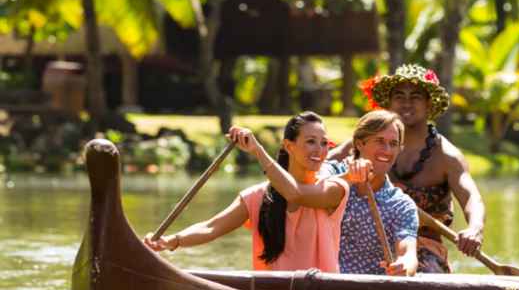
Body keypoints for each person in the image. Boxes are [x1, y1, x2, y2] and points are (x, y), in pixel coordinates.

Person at [144, 111, 359, 272]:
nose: (319, 151)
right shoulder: (257, 196)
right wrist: (171, 241)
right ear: (288, 146)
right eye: (310, 142)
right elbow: (211, 227)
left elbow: (295, 194)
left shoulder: (334, 188)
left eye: (324, 144)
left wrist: (258, 151)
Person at [332, 64, 486, 273]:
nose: (406, 103)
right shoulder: (364, 144)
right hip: (362, 241)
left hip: (422, 248)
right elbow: (319, 166)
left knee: (420, 271)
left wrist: (475, 229)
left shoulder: (447, 156)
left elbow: (471, 198)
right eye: (399, 96)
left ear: (428, 104)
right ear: (389, 103)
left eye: (415, 97)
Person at [332, 109, 420, 276]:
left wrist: (404, 266)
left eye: (393, 144)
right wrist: (348, 177)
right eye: (380, 141)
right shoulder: (332, 173)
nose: (387, 150)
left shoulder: (401, 204)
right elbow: (304, 187)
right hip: (320, 289)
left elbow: (408, 253)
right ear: (359, 143)